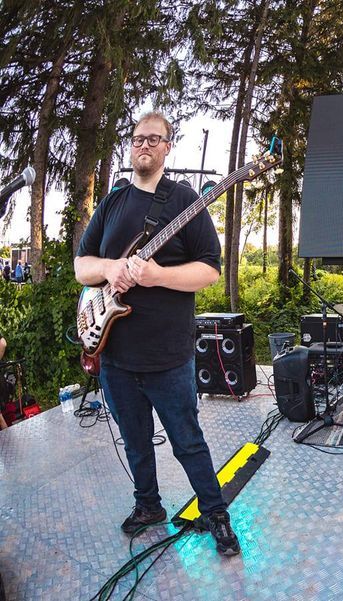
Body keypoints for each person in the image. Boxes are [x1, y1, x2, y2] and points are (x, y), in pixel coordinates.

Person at [74, 111, 240, 556]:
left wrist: (155, 276)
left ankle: (216, 513)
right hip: (115, 354)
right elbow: (81, 265)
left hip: (168, 356)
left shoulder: (185, 202)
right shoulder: (112, 203)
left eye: (154, 139)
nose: (143, 146)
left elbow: (209, 270)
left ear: (168, 148)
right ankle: (148, 505)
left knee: (188, 440)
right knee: (134, 438)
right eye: (137, 139)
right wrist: (111, 269)